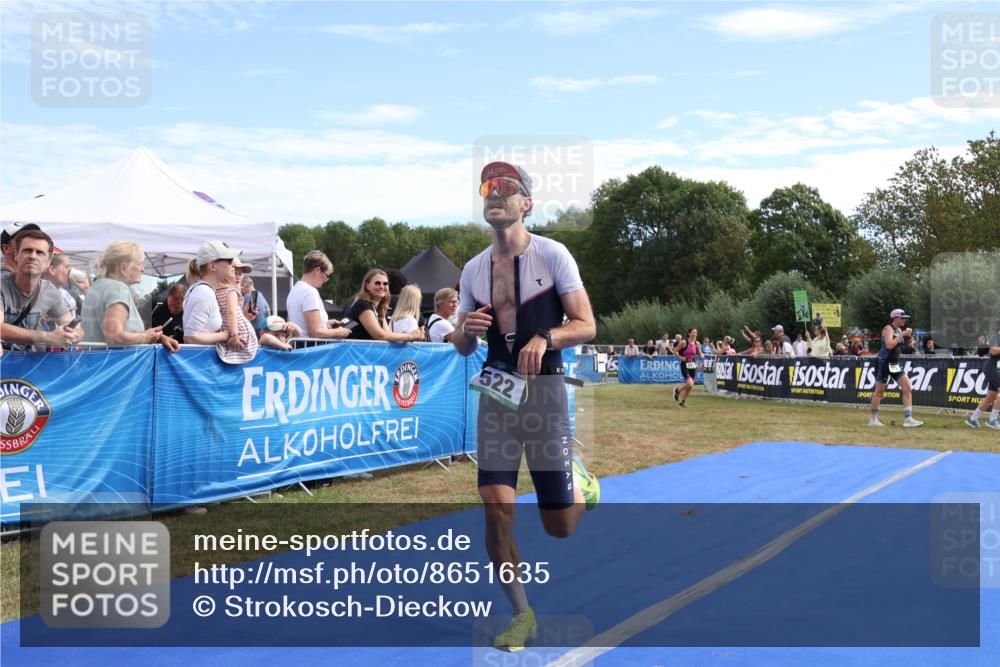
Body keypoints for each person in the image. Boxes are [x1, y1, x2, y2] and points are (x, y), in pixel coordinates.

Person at [453, 161, 599, 652]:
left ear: (525, 204)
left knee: (558, 527)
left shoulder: (553, 255)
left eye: (506, 188)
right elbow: (459, 345)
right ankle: (522, 613)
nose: (495, 195)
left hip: (545, 395)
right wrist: (464, 331)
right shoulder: (474, 269)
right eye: (488, 188)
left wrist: (545, 336)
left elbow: (587, 325)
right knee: (495, 507)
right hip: (497, 395)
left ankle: (579, 483)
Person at [80, 241, 179, 352]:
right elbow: (114, 337)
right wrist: (145, 337)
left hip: (93, 363)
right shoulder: (118, 289)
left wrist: (156, 337)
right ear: (123, 268)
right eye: (140, 264)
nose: (143, 269)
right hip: (116, 366)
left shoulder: (97, 286)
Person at [1, 229, 81, 351]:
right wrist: (47, 337)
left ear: (48, 262)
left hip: (30, 364)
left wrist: (71, 334)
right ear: (17, 255)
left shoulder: (48, 290)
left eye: (39, 253)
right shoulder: (2, 284)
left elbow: (74, 327)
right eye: (27, 250)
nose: (33, 256)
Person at [183, 240, 244, 348]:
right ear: (212, 266)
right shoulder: (205, 292)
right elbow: (190, 337)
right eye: (229, 260)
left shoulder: (201, 289)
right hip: (201, 360)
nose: (232, 264)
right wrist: (226, 335)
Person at [869, 309, 922, 428]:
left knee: (907, 388)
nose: (905, 320)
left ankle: (908, 419)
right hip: (884, 362)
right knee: (879, 392)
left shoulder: (898, 330)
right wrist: (903, 335)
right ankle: (873, 419)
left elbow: (897, 347)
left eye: (905, 318)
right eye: (902, 318)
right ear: (895, 318)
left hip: (893, 364)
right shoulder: (888, 329)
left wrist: (906, 339)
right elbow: (889, 345)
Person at [286, 250, 351, 340]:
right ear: (317, 270)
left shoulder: (295, 289)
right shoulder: (310, 292)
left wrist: (325, 324)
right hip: (311, 349)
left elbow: (302, 324)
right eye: (327, 275)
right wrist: (338, 331)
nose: (326, 280)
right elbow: (314, 332)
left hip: (300, 347)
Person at [347, 269, 424, 342]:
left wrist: (416, 334)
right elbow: (380, 336)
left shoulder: (379, 308)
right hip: (357, 354)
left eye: (385, 284)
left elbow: (388, 334)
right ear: (367, 285)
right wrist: (410, 336)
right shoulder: (363, 305)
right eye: (377, 283)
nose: (382, 286)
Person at [965, 326, 1000, 429]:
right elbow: (993, 351)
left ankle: (973, 419)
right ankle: (992, 420)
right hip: (991, 368)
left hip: (996, 369)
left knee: (991, 397)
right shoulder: (995, 337)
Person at [673, 327, 704, 407]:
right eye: (693, 332)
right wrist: (680, 358)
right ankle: (678, 391)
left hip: (692, 365)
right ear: (689, 333)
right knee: (689, 384)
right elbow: (674, 351)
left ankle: (682, 402)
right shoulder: (683, 342)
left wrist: (702, 355)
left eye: (696, 333)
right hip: (684, 364)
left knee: (690, 386)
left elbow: (700, 353)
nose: (695, 334)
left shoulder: (697, 343)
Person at [46, 252, 79, 320]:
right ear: (52, 270)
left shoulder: (70, 294)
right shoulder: (39, 295)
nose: (70, 271)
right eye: (67, 267)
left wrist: (85, 289)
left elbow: (92, 315)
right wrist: (61, 314)